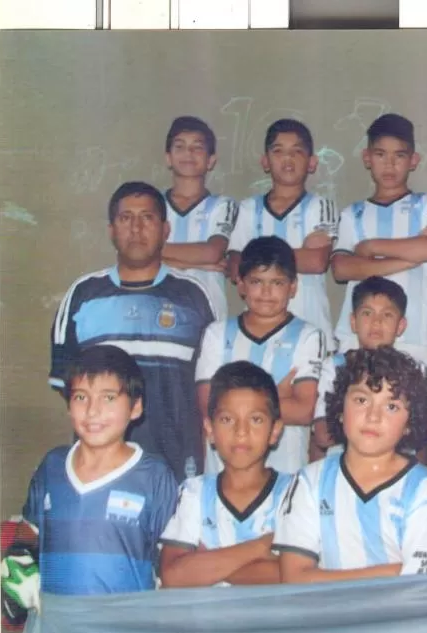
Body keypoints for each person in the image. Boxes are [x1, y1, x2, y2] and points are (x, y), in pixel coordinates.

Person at [50, 181, 218, 482]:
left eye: (147, 217)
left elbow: (211, 391)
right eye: (126, 218)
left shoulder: (194, 297)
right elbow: (68, 386)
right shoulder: (83, 296)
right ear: (111, 230)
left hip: (178, 469)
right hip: (100, 470)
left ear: (165, 230)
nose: (136, 228)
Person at [2, 345, 178, 618]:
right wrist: (20, 556)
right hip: (55, 630)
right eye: (81, 397)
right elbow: (30, 531)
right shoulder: (52, 467)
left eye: (108, 398)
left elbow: (170, 562)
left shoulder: (155, 476)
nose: (93, 411)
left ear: (136, 407)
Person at [274, 347, 427, 582]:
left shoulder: (424, 488)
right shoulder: (308, 482)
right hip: (326, 618)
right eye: (362, 400)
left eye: (391, 406)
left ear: (409, 423)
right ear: (340, 409)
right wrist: (391, 571)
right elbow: (294, 579)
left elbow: (416, 584)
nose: (373, 416)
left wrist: (322, 578)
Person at [159, 362, 299, 587]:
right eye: (227, 420)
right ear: (210, 430)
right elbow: (173, 576)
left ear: (274, 431)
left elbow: (294, 574)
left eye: (255, 419)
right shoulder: (194, 493)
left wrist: (207, 564)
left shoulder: (296, 492)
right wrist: (260, 547)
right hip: (206, 622)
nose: (241, 432)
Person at [195, 236, 325, 474]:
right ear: (241, 285)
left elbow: (305, 411)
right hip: (222, 474)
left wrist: (234, 402)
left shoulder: (308, 336)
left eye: (277, 282)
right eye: (256, 281)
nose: (266, 292)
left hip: (284, 472)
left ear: (293, 287)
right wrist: (278, 395)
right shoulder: (216, 333)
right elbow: (208, 405)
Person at [331, 113, 427, 366]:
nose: (390, 164)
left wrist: (371, 248)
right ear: (367, 158)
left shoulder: (426, 206)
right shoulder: (353, 214)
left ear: (413, 160)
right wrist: (412, 255)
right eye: (381, 154)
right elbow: (341, 269)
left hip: (414, 336)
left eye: (399, 156)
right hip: (357, 338)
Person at [227, 118, 337, 344]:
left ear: (312, 162)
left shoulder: (321, 206)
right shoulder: (248, 209)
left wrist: (257, 257)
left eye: (296, 151)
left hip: (312, 330)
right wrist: (300, 253)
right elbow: (235, 267)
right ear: (265, 162)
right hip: (256, 334)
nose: (288, 159)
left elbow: (316, 261)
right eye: (278, 151)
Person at [309, 276, 410, 461]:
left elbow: (415, 440)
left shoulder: (409, 371)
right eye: (367, 313)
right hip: (341, 469)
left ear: (401, 326)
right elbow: (322, 434)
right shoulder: (335, 366)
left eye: (387, 315)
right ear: (353, 322)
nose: (376, 322)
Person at [160, 115, 238, 321]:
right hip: (158, 310)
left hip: (208, 316)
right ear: (168, 157)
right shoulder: (153, 205)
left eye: (197, 147)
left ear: (211, 160)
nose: (188, 153)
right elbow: (132, 257)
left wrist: (155, 253)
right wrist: (199, 264)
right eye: (180, 147)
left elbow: (213, 252)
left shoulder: (223, 205)